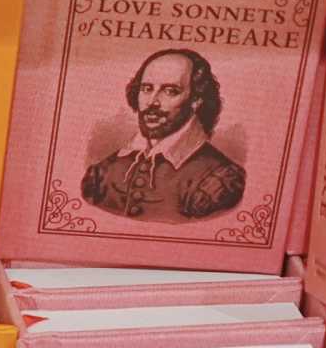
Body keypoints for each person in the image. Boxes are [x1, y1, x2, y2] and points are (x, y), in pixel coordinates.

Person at [81, 48, 245, 222]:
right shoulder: (102, 173)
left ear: (196, 100)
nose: (152, 102)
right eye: (147, 89)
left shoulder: (220, 179)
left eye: (170, 91)